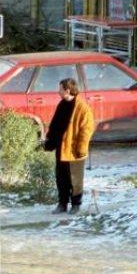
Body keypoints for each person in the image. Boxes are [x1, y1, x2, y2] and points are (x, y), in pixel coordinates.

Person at [42, 77, 95, 214]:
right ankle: (62, 204)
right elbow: (55, 125)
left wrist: (81, 148)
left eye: (60, 89)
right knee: (61, 178)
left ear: (67, 90)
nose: (58, 92)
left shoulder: (82, 107)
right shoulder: (62, 104)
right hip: (62, 148)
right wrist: (50, 141)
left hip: (75, 150)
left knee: (75, 179)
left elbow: (87, 129)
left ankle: (76, 204)